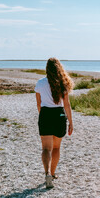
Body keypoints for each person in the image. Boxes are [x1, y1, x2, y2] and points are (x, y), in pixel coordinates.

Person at [35, 57, 74, 188]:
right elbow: (67, 105)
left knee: (46, 148)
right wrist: (71, 122)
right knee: (56, 147)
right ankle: (52, 173)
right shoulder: (63, 83)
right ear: (59, 68)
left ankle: (47, 174)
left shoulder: (40, 83)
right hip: (59, 114)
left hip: (45, 114)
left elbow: (39, 104)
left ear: (47, 69)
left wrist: (43, 117)